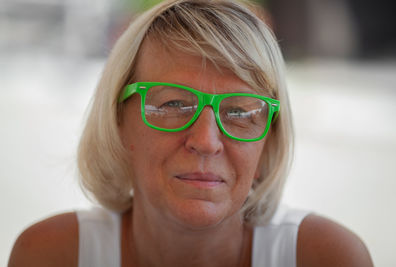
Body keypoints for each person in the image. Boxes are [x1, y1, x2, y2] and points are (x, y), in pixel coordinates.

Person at [8, 0, 373, 266]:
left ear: (269, 141)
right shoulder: (51, 255)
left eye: (239, 112)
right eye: (173, 105)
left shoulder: (324, 257)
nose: (206, 141)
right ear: (118, 122)